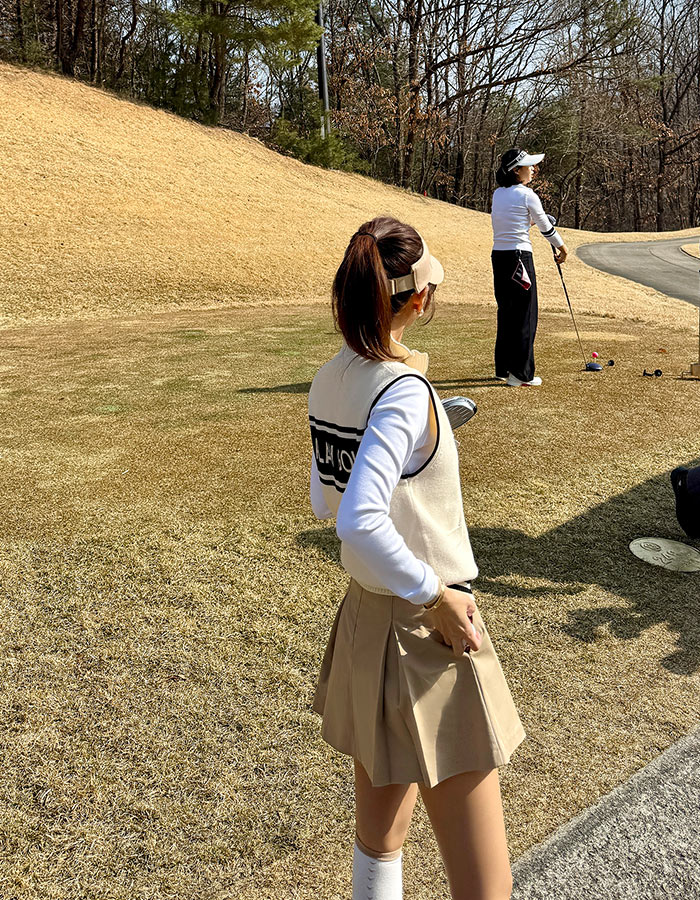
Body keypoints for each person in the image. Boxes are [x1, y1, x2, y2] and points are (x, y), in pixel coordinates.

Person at [308, 215, 525, 900]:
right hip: (427, 627)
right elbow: (358, 519)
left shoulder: (330, 379)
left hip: (366, 619)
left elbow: (325, 500)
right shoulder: (404, 393)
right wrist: (437, 597)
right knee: (485, 884)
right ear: (418, 297)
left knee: (380, 838)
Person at [491, 148, 569, 387]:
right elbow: (546, 227)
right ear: (516, 171)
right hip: (519, 258)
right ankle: (521, 375)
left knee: (507, 312)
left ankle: (504, 368)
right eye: (529, 166)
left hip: (499, 257)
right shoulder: (528, 195)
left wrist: (532, 221)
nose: (534, 169)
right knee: (525, 314)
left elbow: (515, 222)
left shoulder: (498, 194)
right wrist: (563, 248)